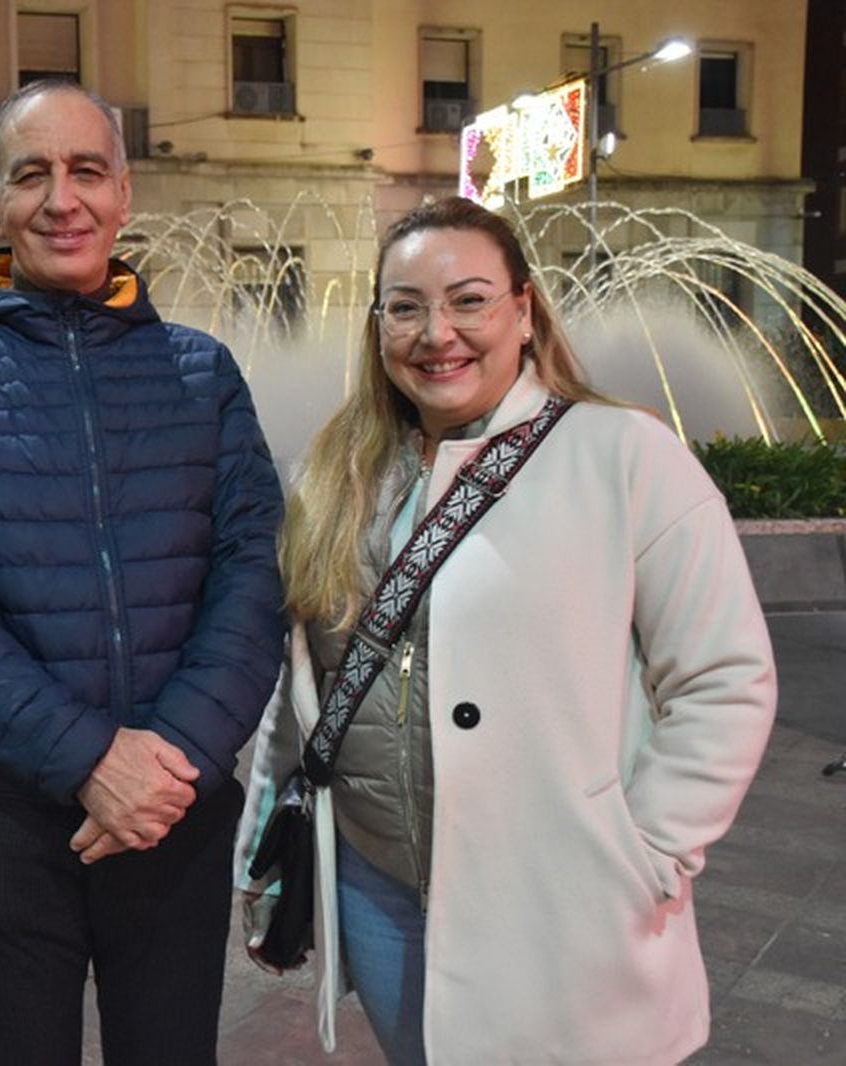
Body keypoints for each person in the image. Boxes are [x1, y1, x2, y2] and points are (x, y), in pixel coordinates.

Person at [235, 195, 777, 1064]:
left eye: (469, 299)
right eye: (405, 306)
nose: (435, 332)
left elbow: (723, 678)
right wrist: (264, 834)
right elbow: (306, 688)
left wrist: (648, 855)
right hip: (380, 891)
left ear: (523, 311)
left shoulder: (623, 456)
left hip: (563, 897)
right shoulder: (338, 474)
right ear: (377, 327)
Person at [0, 80, 286, 1066]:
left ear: (124, 192)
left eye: (86, 171)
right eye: (33, 174)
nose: (63, 199)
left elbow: (251, 576)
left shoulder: (201, 371)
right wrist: (90, 761)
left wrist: (170, 756)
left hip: (172, 814)